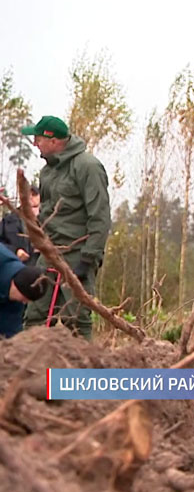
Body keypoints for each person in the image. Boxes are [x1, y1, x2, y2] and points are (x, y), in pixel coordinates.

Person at [20, 116, 111, 340]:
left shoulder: (87, 166)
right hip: (49, 255)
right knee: (35, 317)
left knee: (76, 321)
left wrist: (88, 259)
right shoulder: (47, 172)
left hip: (78, 255)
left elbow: (99, 216)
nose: (35, 144)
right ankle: (35, 371)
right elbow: (46, 213)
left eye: (38, 139)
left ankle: (83, 373)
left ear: (53, 141)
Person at [0, 245, 48, 337]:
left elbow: (11, 330)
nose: (25, 302)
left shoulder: (15, 302)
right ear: (15, 285)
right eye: (24, 298)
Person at [0, 185, 41, 265]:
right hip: (16, 267)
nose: (30, 198)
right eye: (27, 195)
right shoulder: (9, 220)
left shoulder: (49, 219)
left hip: (44, 267)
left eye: (34, 194)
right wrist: (15, 251)